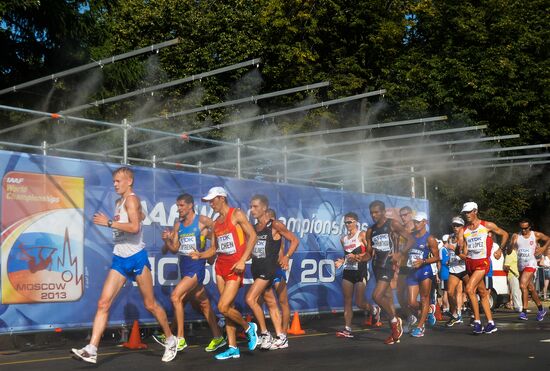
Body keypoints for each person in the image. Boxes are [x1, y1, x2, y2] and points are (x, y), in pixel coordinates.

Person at [72, 167, 177, 364]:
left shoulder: (131, 199)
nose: (115, 184)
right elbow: (139, 218)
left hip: (136, 257)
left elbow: (135, 227)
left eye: (118, 181)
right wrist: (134, 215)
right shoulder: (120, 202)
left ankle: (171, 340)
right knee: (103, 303)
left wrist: (109, 223)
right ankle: (92, 348)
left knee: (150, 304)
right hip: (119, 258)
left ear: (129, 181)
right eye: (113, 181)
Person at [191, 186, 258, 360]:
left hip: (235, 266)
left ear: (222, 198)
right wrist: (199, 255)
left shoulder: (236, 214)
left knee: (222, 307)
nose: (211, 204)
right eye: (209, 201)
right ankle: (233, 347)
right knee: (228, 309)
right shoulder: (217, 222)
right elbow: (214, 249)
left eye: (212, 200)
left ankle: (248, 327)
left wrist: (243, 259)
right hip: (220, 267)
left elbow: (252, 236)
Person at [157, 193, 225, 354]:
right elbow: (174, 249)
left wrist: (212, 249)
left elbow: (217, 228)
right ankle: (218, 337)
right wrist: (167, 240)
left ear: (190, 205)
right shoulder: (178, 225)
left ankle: (180, 338)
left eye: (181, 205)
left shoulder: (202, 220)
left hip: (196, 267)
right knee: (204, 304)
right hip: (185, 267)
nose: (179, 209)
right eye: (177, 206)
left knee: (175, 296)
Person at [246, 195, 299, 350]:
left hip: (270, 270)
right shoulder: (254, 228)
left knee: (250, 299)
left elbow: (294, 240)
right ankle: (281, 337)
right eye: (251, 206)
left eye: (255, 207)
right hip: (257, 268)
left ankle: (264, 333)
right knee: (270, 303)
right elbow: (251, 250)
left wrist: (287, 257)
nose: (252, 210)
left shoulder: (274, 225)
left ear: (264, 208)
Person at [365, 200, 414, 345]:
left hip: (388, 265)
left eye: (376, 212)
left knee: (376, 296)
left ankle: (395, 321)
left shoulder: (392, 224)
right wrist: (358, 258)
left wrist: (400, 254)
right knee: (387, 298)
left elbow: (410, 240)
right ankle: (395, 334)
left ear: (383, 211)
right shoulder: (371, 230)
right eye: (371, 213)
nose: (374, 215)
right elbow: (369, 253)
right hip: (376, 266)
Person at [457, 201, 509, 334]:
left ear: (475, 211)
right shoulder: (464, 230)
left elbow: (505, 234)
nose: (467, 215)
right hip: (470, 263)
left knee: (469, 289)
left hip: (483, 263)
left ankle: (477, 322)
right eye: (465, 213)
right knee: (483, 293)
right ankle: (491, 323)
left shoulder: (487, 225)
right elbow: (461, 249)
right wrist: (460, 249)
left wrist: (500, 250)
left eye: (469, 212)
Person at [334, 212, 370, 338]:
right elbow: (347, 256)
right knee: (347, 301)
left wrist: (357, 256)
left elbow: (370, 253)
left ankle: (374, 311)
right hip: (348, 272)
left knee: (360, 303)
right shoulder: (343, 238)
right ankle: (347, 329)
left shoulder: (361, 235)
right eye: (345, 222)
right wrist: (341, 261)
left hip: (360, 272)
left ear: (356, 222)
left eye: (350, 222)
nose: (347, 224)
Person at [406, 212, 440, 337]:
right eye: (414, 221)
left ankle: (420, 327)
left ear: (425, 222)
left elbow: (437, 257)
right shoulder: (411, 236)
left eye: (418, 221)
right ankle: (429, 310)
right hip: (412, 271)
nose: (415, 224)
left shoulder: (429, 239)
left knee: (424, 298)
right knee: (411, 302)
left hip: (425, 271)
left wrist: (423, 261)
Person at [510, 218, 550, 321]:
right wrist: (511, 244)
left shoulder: (535, 235)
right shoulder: (516, 236)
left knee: (522, 285)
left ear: (529, 227)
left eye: (525, 228)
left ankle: (524, 312)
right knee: (531, 288)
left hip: (531, 263)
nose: (523, 230)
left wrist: (543, 248)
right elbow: (510, 251)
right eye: (521, 228)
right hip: (521, 265)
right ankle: (541, 309)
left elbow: (548, 239)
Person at [445, 217, 468, 327]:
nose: (455, 227)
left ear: (462, 227)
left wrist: (454, 249)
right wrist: (449, 260)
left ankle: (475, 316)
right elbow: (450, 254)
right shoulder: (450, 237)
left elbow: (466, 257)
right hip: (454, 269)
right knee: (450, 292)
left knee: (471, 291)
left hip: (465, 269)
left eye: (458, 225)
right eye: (454, 225)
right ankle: (456, 315)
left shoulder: (465, 238)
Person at [397, 206, 416, 329]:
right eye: (401, 215)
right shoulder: (400, 230)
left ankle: (427, 309)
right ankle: (411, 316)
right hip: (403, 266)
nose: (403, 217)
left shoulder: (417, 228)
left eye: (405, 215)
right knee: (399, 295)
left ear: (411, 214)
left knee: (411, 300)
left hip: (415, 266)